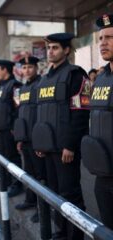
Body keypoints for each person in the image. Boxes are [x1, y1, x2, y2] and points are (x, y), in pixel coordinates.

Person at [32, 33, 90, 239]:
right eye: (49, 48)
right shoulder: (45, 79)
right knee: (55, 194)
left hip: (65, 149)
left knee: (70, 194)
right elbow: (40, 113)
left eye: (55, 48)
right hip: (47, 148)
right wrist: (39, 143)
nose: (50, 52)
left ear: (66, 50)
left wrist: (70, 145)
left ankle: (75, 236)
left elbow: (81, 113)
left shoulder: (75, 75)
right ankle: (62, 232)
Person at [81, 14, 113, 230]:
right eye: (100, 38)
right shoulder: (100, 79)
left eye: (109, 37)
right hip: (104, 175)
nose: (103, 42)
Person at [13, 56, 45, 223]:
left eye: (30, 67)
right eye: (24, 68)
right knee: (29, 172)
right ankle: (30, 200)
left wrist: (40, 141)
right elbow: (21, 114)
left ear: (36, 68)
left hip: (36, 139)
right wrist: (19, 138)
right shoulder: (23, 88)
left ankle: (42, 208)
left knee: (41, 175)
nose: (27, 71)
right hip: (25, 139)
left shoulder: (41, 84)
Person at [0, 59, 23, 197]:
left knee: (13, 158)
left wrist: (14, 128)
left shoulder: (14, 86)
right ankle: (7, 182)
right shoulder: (3, 86)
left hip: (10, 130)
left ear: (5, 70)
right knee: (4, 157)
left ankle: (17, 185)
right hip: (1, 130)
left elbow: (18, 108)